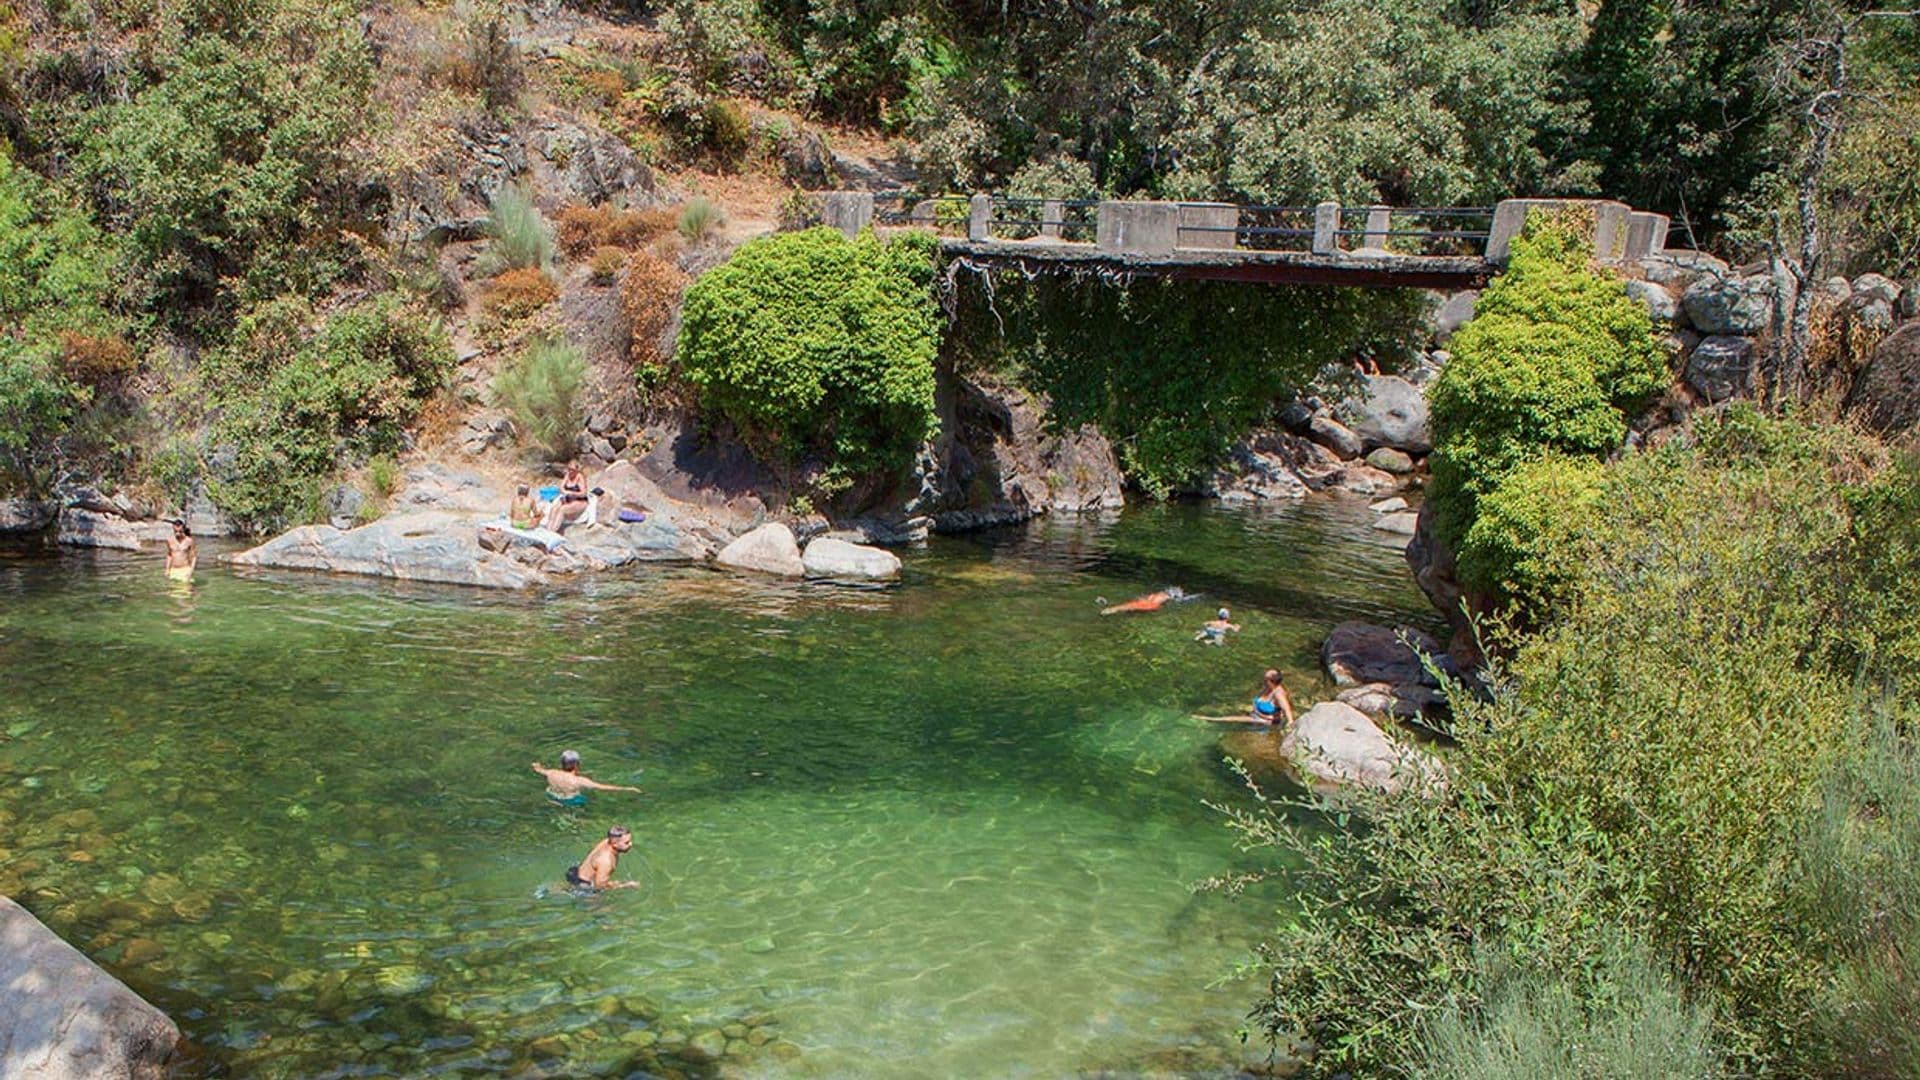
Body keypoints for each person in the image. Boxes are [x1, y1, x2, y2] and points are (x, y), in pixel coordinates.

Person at [532, 749, 641, 806]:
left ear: (562, 763)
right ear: (576, 764)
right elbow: (602, 787)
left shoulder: (551, 773)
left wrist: (536, 765)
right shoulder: (580, 781)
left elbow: (539, 770)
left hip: (552, 797)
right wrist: (627, 789)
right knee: (590, 802)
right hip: (571, 801)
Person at [1201, 669, 1296, 727]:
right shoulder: (1268, 687)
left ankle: (1209, 719)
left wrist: (1290, 723)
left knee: (1230, 719)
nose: (1263, 679)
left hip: (1263, 721)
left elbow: (1287, 709)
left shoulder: (1278, 694)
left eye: (1265, 678)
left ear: (1271, 681)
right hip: (1255, 715)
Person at [565, 825, 639, 890]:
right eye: (626, 843)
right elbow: (599, 886)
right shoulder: (606, 862)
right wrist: (625, 885)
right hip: (583, 885)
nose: (630, 844)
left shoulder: (606, 841)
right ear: (615, 844)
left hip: (577, 871)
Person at [542, 462, 590, 533]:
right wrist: (565, 492)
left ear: (576, 470)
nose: (570, 471)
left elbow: (583, 493)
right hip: (568, 499)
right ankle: (548, 528)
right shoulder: (567, 475)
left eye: (572, 470)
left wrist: (573, 493)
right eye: (569, 469)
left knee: (562, 509)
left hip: (579, 500)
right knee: (554, 508)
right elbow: (561, 487)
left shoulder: (580, 477)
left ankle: (553, 531)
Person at [1100, 585, 1190, 615]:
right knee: (1129, 607)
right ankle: (1111, 610)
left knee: (1129, 606)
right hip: (1151, 604)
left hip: (1150, 600)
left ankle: (1111, 609)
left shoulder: (1160, 594)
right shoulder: (1157, 601)